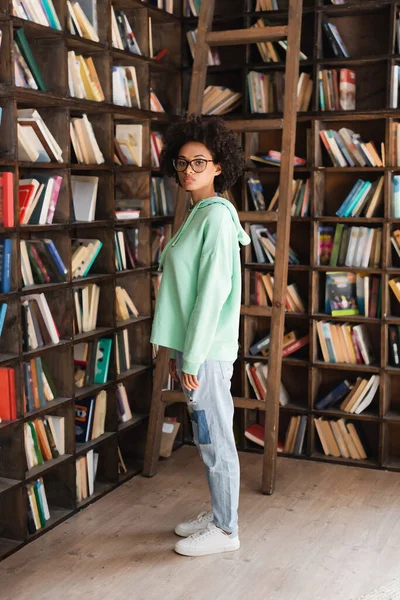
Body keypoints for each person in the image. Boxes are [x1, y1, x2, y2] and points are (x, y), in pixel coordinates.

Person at [150, 115, 250, 557]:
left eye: (199, 162)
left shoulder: (216, 220)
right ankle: (218, 513)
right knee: (207, 432)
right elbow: (184, 293)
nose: (188, 170)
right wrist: (178, 352)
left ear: (218, 167)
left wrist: (190, 359)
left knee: (215, 438)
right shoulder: (196, 215)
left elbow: (211, 295)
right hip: (195, 351)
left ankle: (227, 531)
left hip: (206, 354)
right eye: (182, 162)